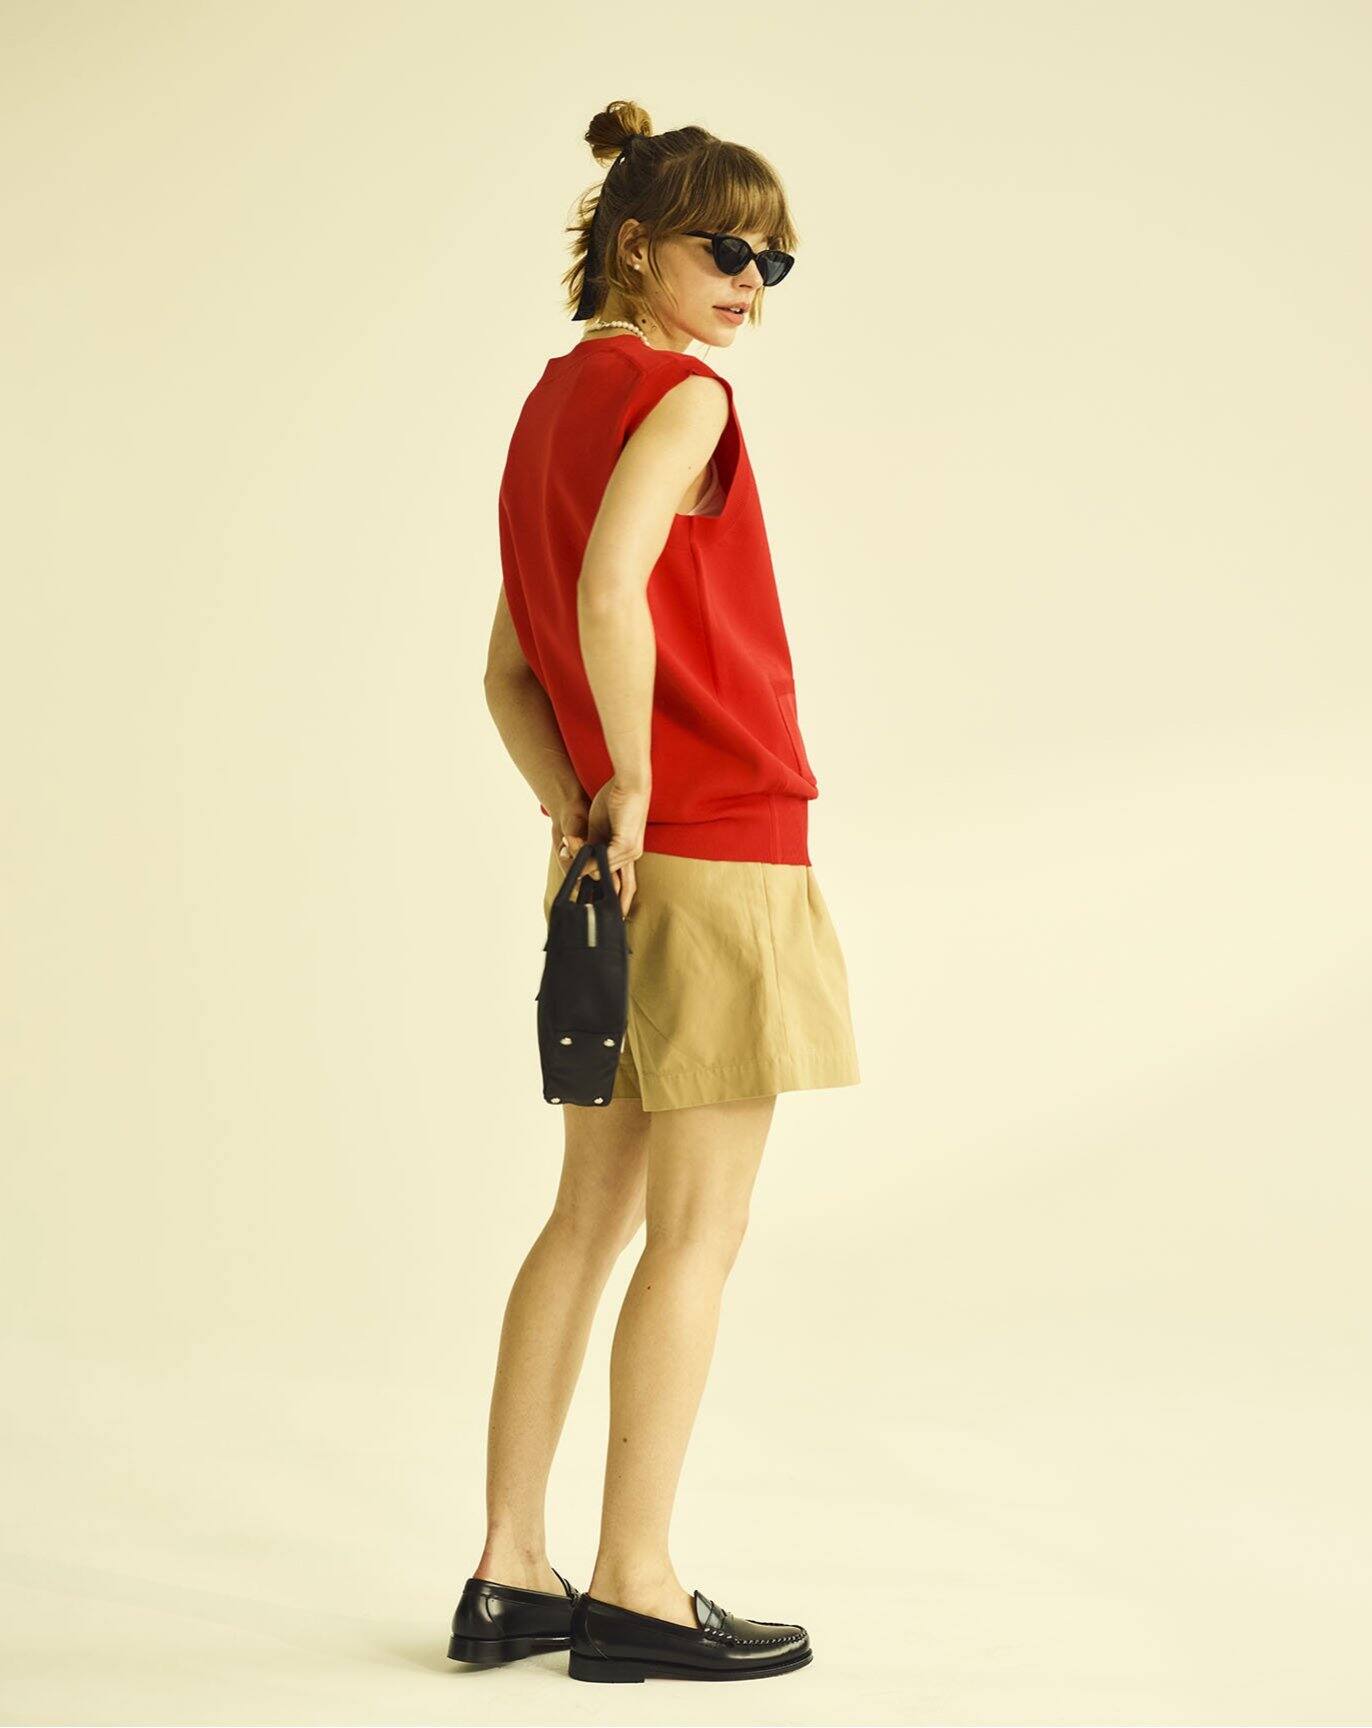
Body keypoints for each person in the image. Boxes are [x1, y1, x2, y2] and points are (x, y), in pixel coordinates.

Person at [446, 99, 860, 1685]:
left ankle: (510, 1570)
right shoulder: (683, 397)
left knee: (590, 1213)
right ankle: (635, 1585)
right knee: (699, 1229)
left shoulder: (554, 406)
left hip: (609, 862)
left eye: (774, 261)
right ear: (637, 247)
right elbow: (614, 593)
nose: (750, 281)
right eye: (724, 249)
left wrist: (576, 804)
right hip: (717, 839)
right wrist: (634, 781)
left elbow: (509, 665)